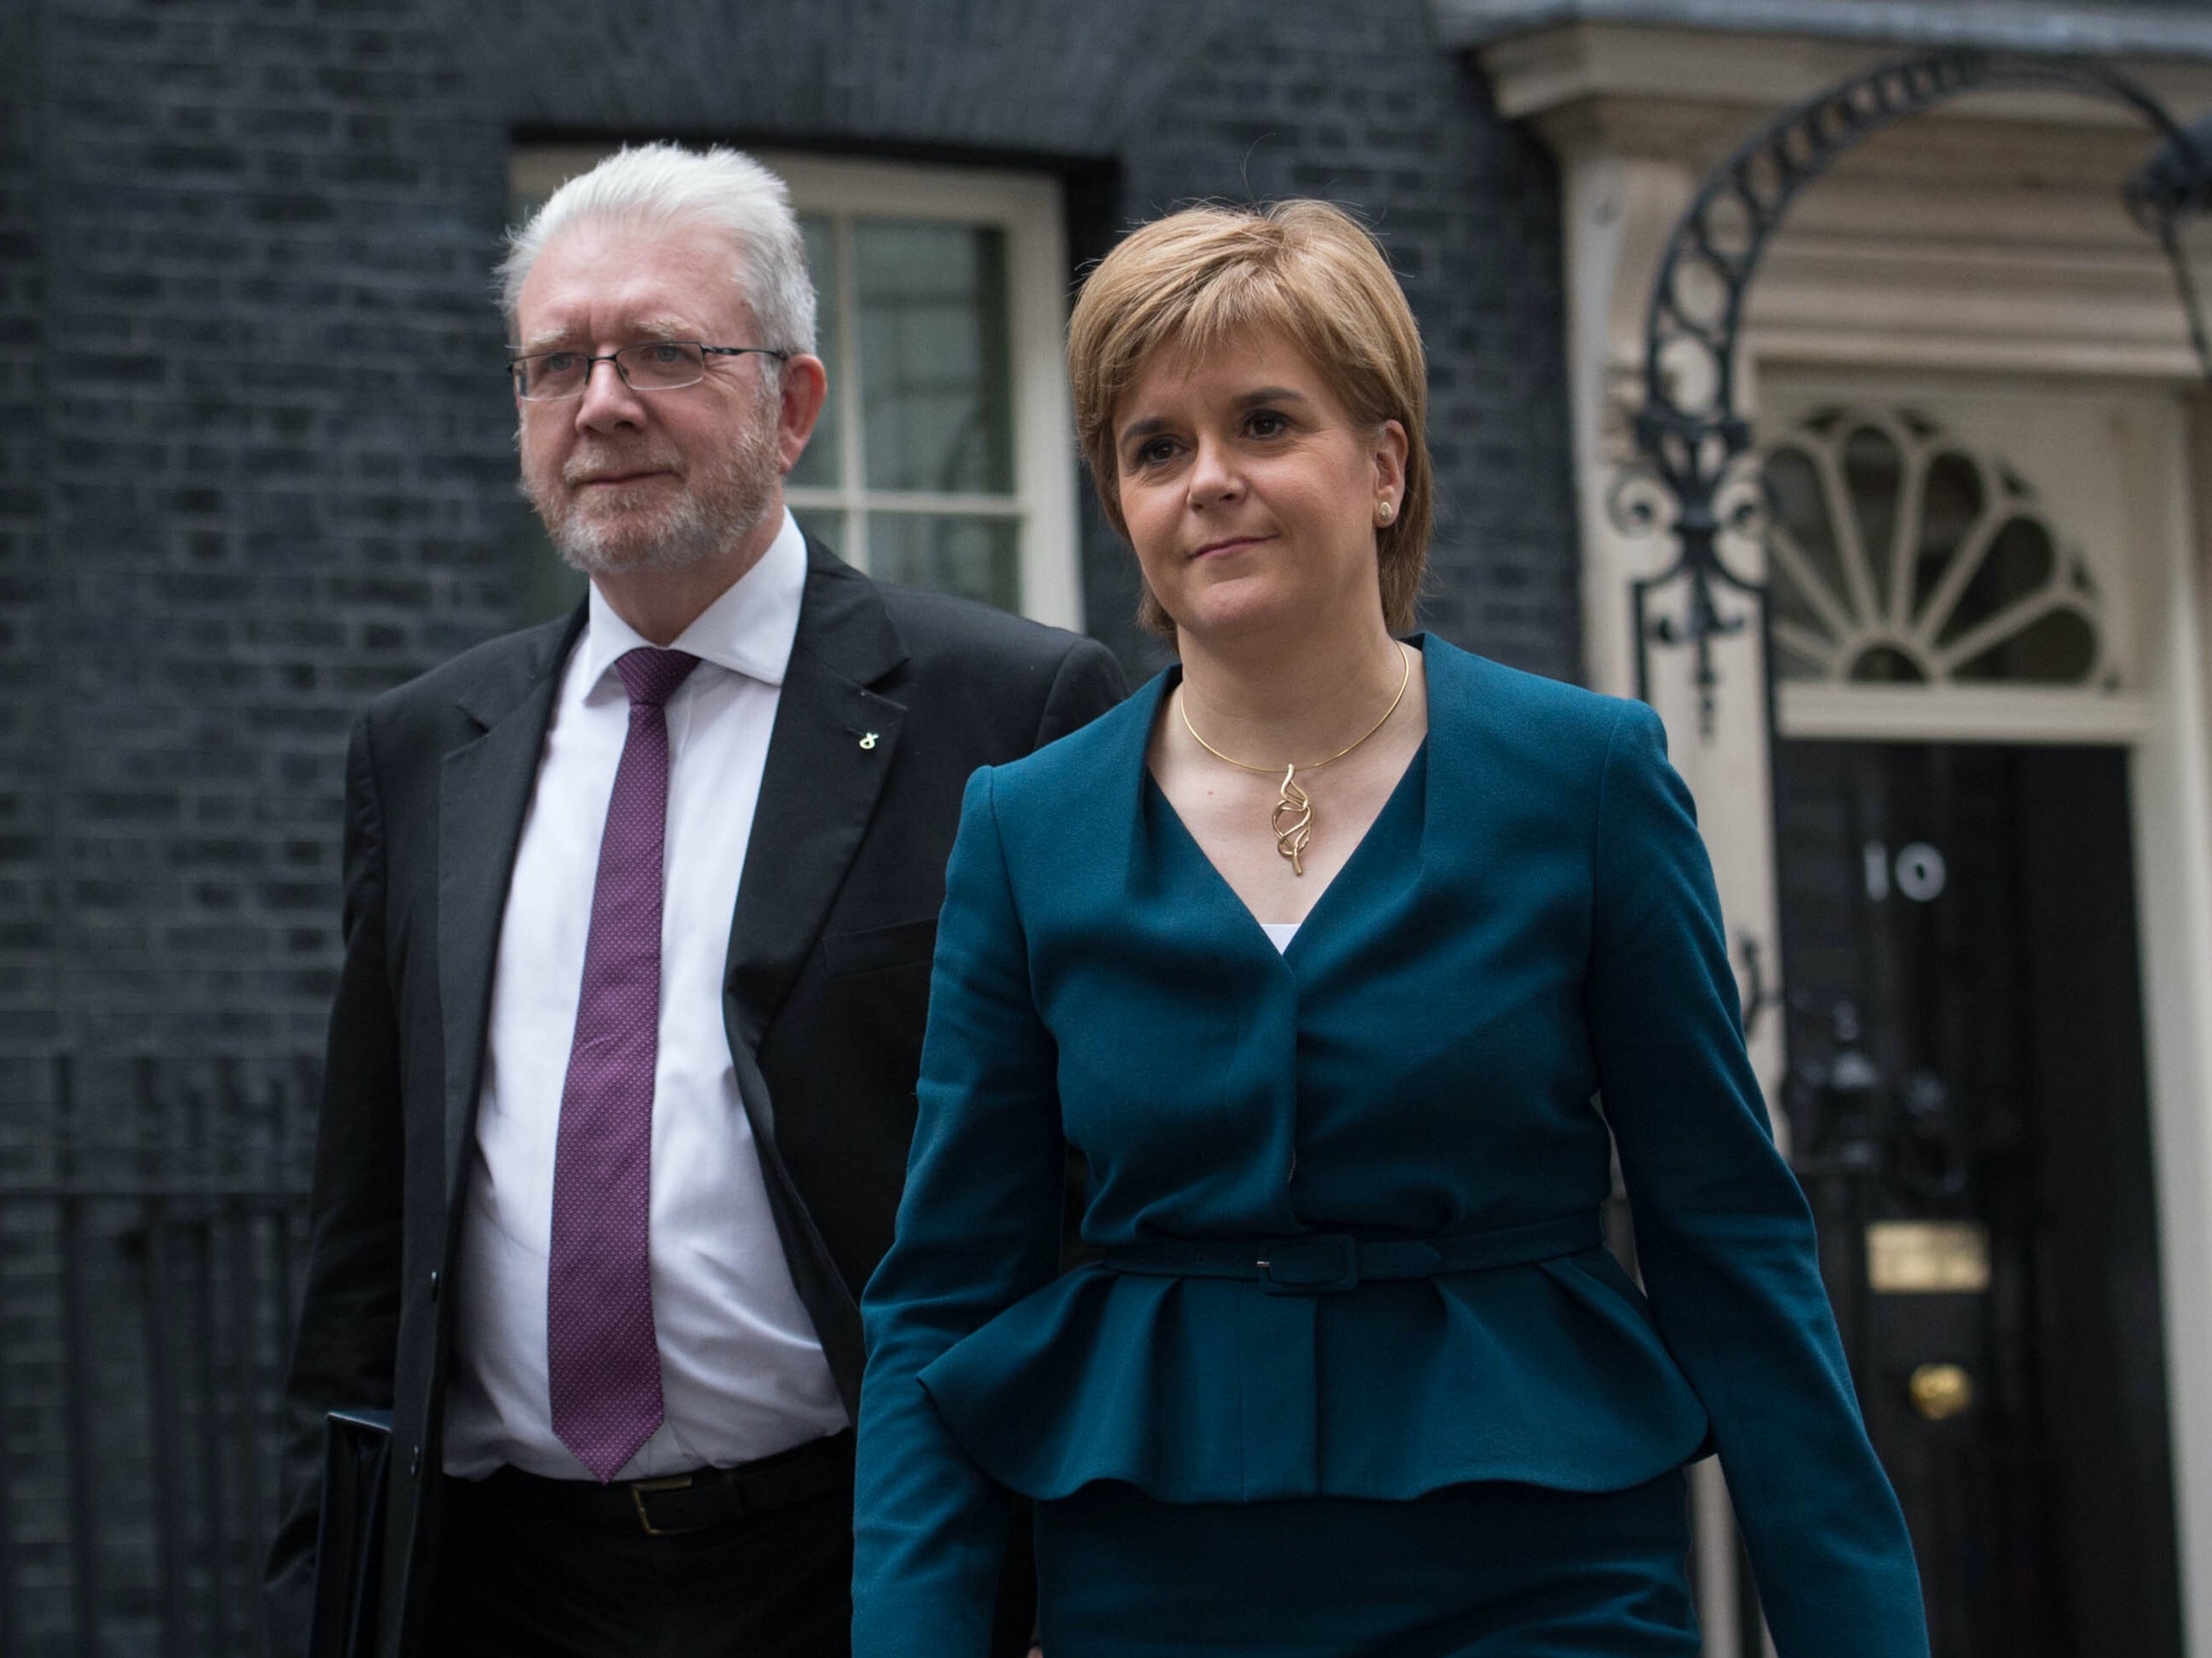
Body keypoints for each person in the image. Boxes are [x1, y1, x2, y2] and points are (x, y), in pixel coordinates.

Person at [850, 200, 1928, 1657]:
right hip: (1155, 1584)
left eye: (1265, 423)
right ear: (1121, 504)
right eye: (1155, 447)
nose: (1209, 481)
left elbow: (1729, 1234)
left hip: (1544, 1575)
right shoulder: (1025, 830)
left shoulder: (1585, 779)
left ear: (1383, 464)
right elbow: (944, 1295)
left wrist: (1858, 1628)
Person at [263, 143, 1124, 1658]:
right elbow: (365, 1233)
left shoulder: (1011, 708)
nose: (602, 403)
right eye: (555, 365)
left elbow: (1096, 1192)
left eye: (663, 351)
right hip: (496, 1579)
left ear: (793, 403)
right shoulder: (423, 749)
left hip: (855, 1558)